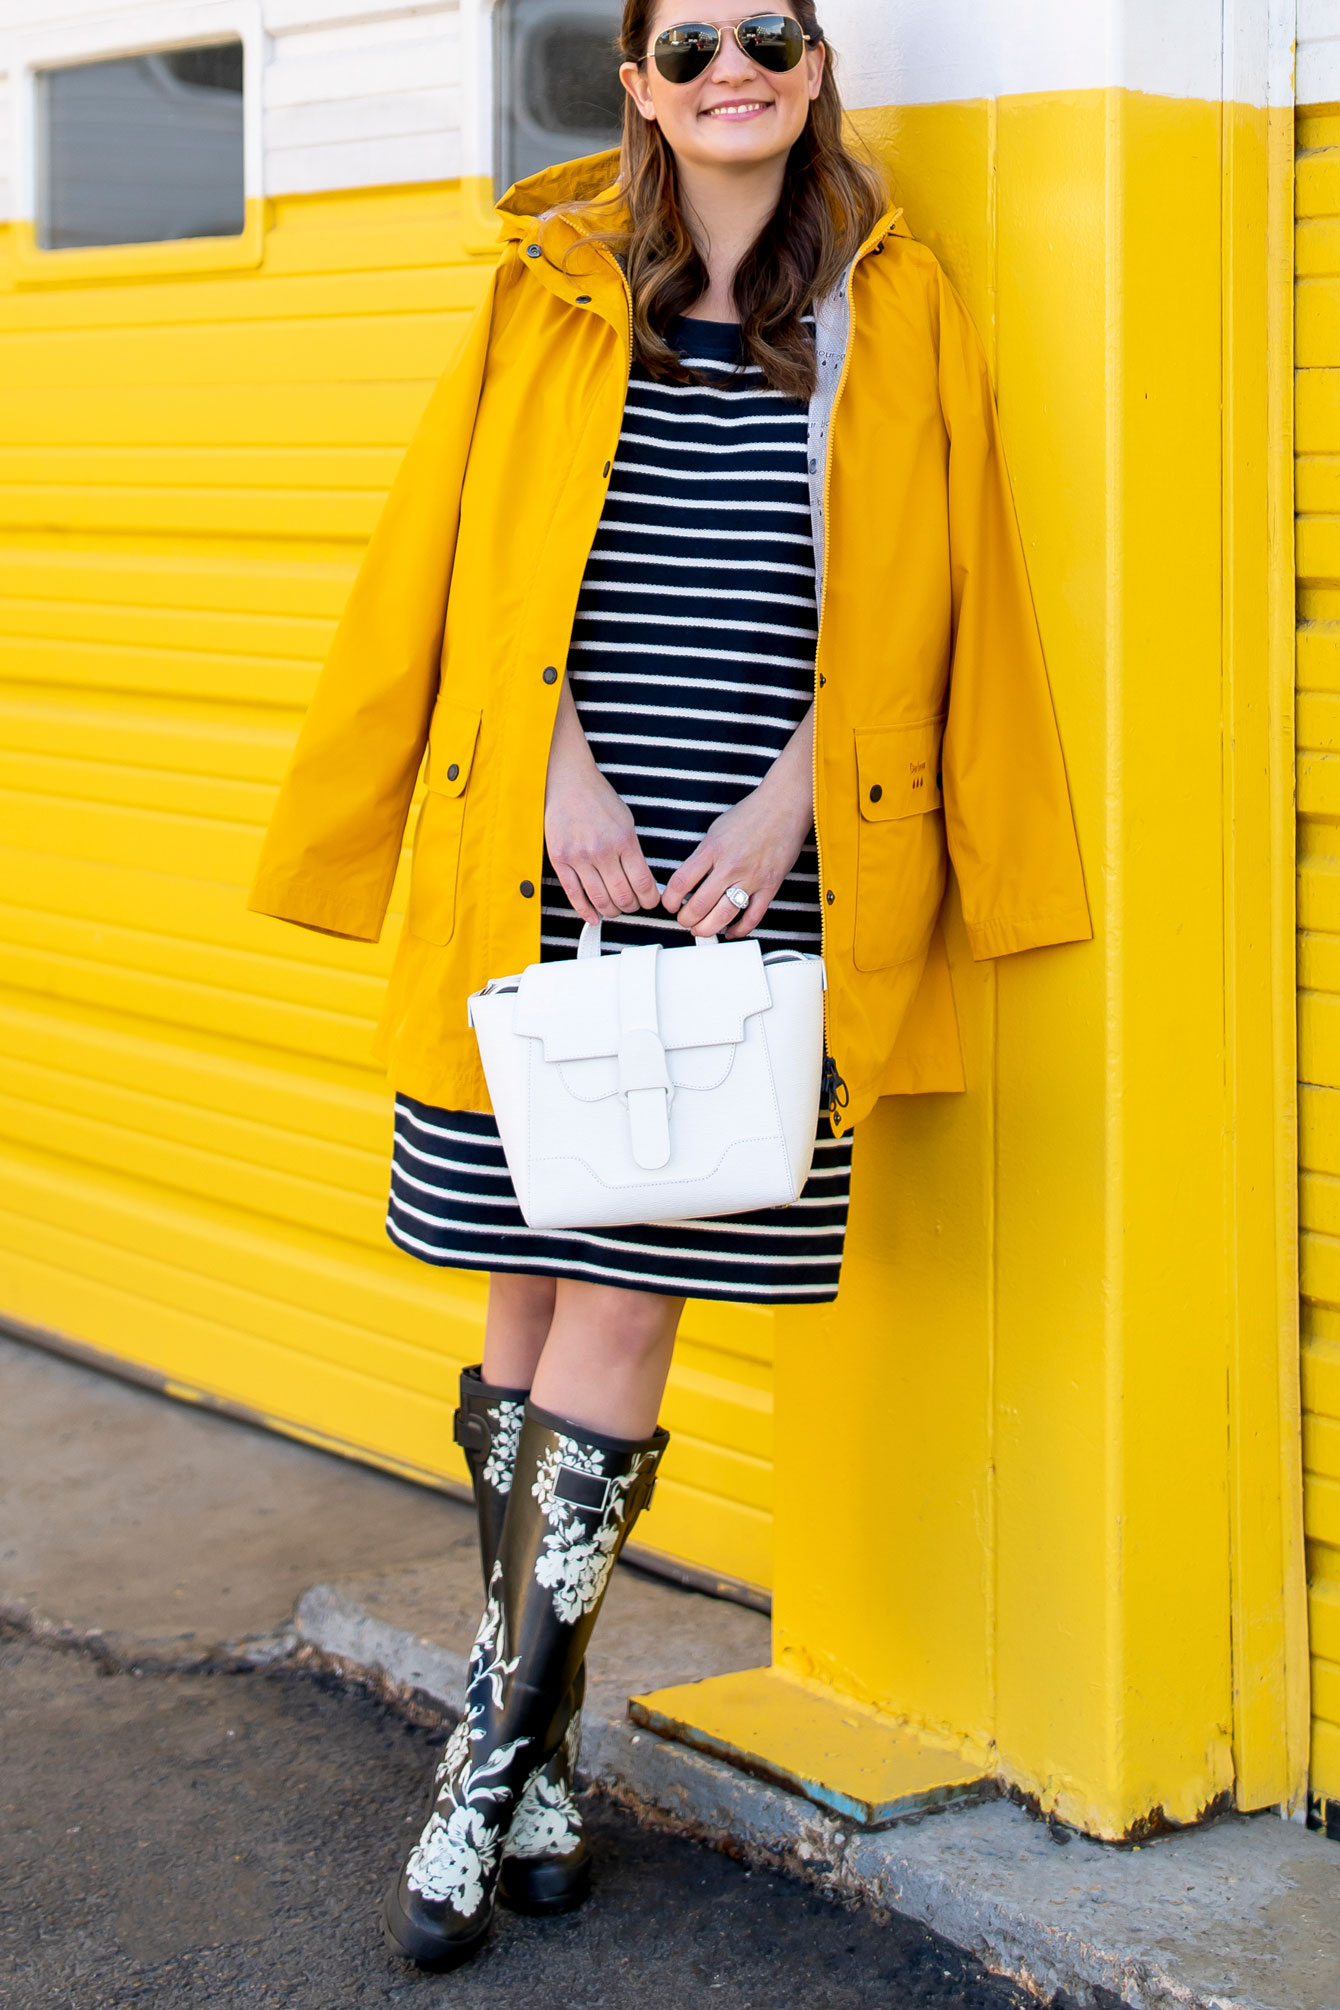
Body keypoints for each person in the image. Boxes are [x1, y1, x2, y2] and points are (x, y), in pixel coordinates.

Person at [248, 0, 1091, 1971]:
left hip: (752, 896)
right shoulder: (548, 294)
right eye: (688, 39)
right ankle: (540, 1761)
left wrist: (799, 800)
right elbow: (450, 568)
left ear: (809, 69)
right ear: (634, 80)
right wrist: (550, 778)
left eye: (768, 35)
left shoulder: (894, 307)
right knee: (524, 1294)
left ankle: (475, 1770)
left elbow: (940, 588)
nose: (733, 67)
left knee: (623, 1294)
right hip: (531, 868)